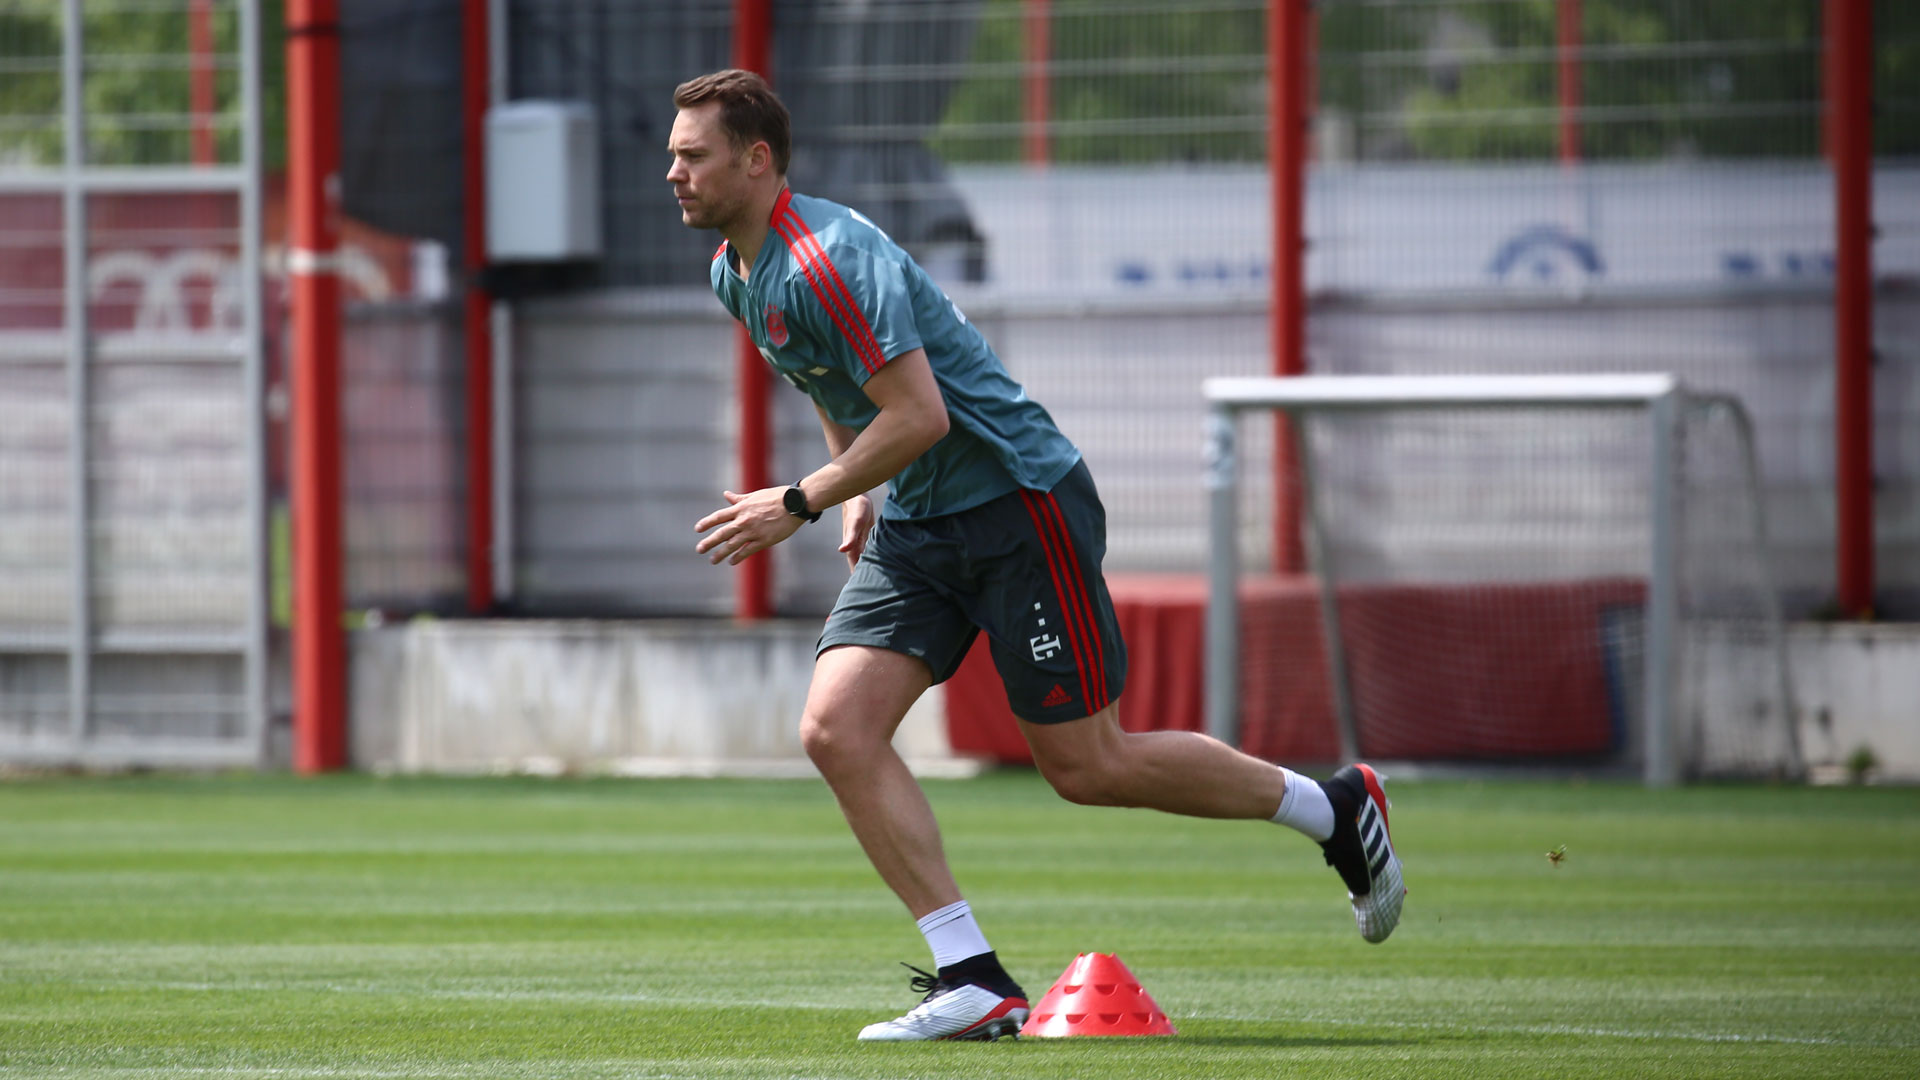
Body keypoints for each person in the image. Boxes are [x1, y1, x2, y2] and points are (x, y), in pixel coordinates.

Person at [668, 68, 1404, 1043]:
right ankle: (973, 978)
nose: (673, 173)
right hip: (923, 516)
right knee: (836, 729)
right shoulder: (737, 270)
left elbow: (922, 412)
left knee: (1087, 766)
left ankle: (1334, 807)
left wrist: (806, 497)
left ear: (756, 161)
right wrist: (862, 481)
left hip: (1019, 500)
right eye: (673, 156)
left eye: (693, 155)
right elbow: (837, 384)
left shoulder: (825, 259)